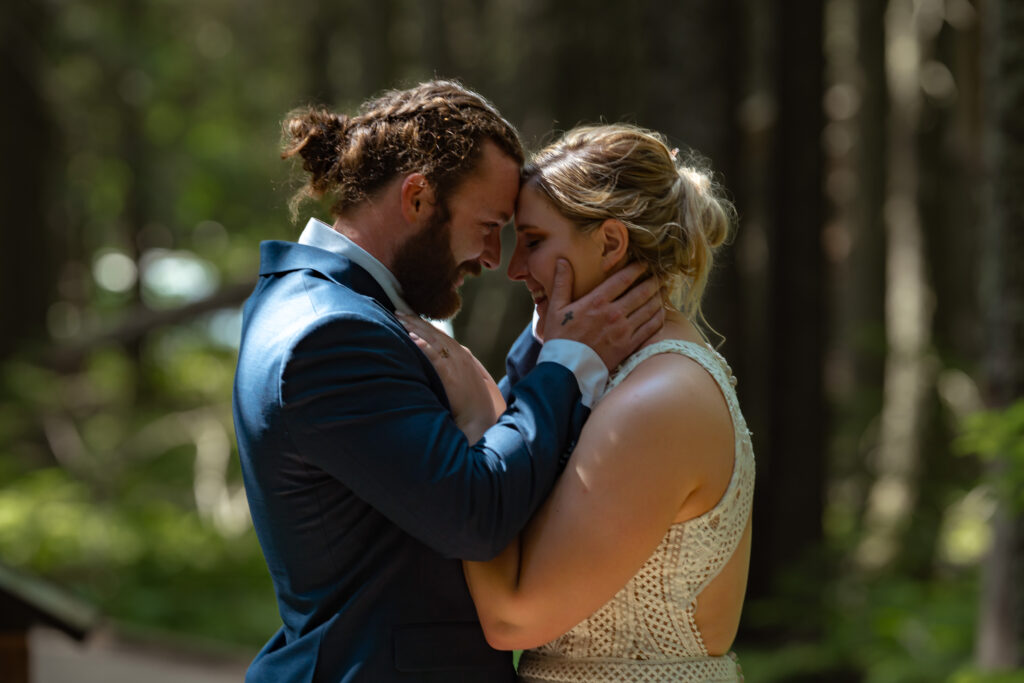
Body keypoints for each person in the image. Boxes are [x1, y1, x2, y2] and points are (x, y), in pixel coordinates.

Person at [232, 82, 665, 683]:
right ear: (417, 198)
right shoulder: (328, 335)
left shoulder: (332, 308)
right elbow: (473, 513)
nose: (495, 257)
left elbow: (453, 462)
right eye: (489, 225)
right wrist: (567, 363)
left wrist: (547, 339)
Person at [402, 123, 754, 682]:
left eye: (535, 242)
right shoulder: (627, 379)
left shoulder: (660, 400)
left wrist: (476, 417)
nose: (515, 269)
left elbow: (514, 621)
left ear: (611, 243)